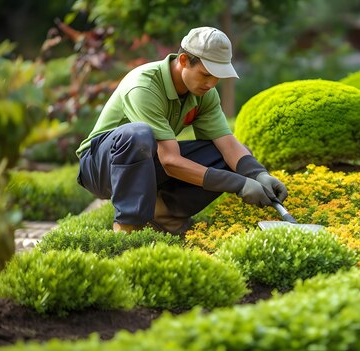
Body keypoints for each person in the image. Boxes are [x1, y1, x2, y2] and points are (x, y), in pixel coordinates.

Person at [76, 26, 288, 234]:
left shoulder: (204, 93)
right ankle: (128, 228)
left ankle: (164, 214)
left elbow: (228, 145)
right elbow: (169, 162)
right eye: (206, 74)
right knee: (139, 135)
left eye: (217, 77)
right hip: (100, 166)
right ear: (184, 60)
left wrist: (257, 174)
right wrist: (239, 184)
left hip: (147, 162)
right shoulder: (143, 86)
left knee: (232, 157)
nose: (211, 83)